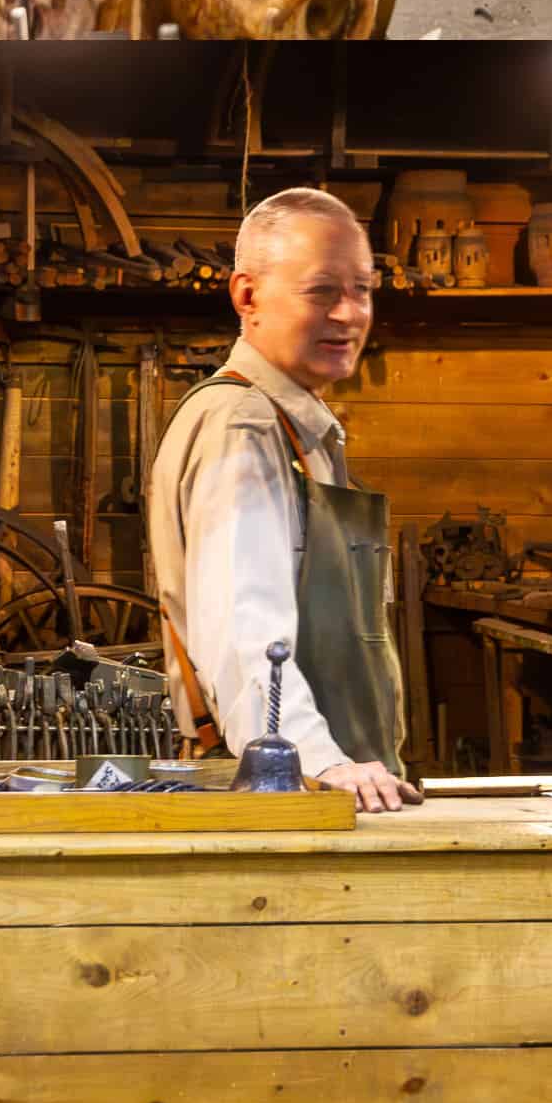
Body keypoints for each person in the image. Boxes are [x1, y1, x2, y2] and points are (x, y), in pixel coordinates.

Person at [147, 185, 418, 813]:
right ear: (247, 296)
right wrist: (317, 762)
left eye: (362, 290)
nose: (350, 314)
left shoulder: (297, 427)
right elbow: (243, 631)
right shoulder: (241, 426)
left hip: (335, 793)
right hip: (283, 796)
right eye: (322, 291)